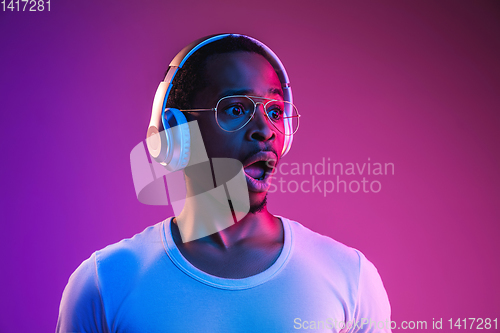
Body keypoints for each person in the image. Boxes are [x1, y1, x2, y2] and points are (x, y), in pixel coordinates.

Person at [56, 34, 391, 332]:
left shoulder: (350, 277)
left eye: (275, 111)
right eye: (235, 109)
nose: (265, 128)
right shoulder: (104, 283)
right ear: (176, 135)